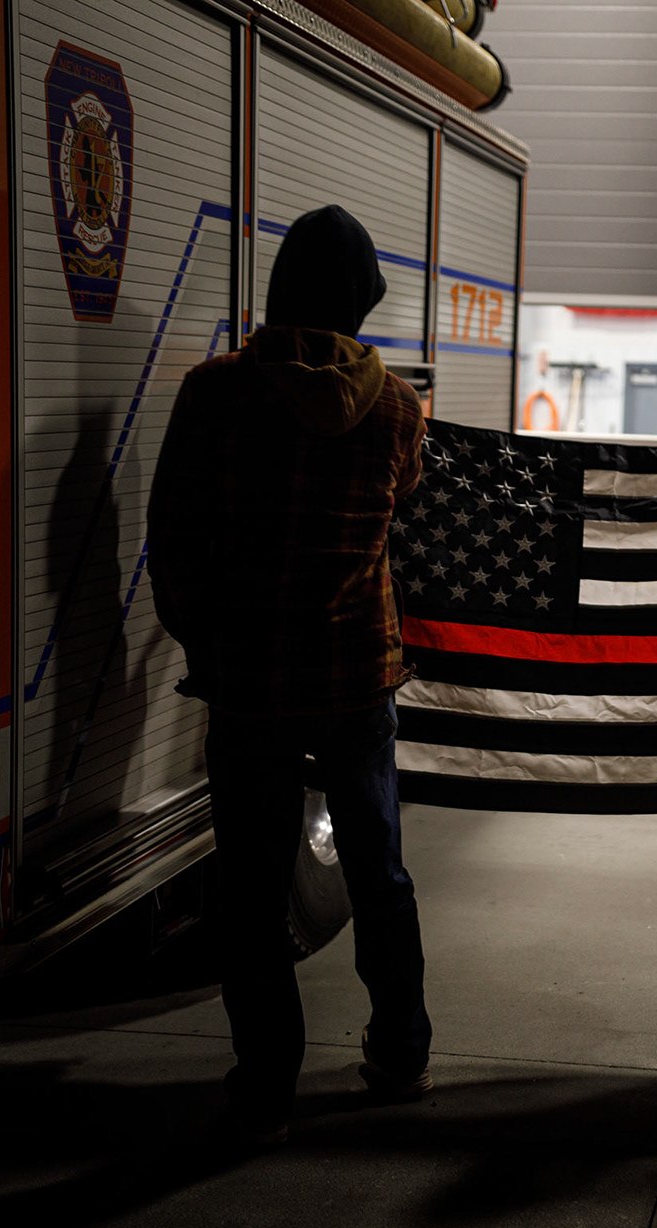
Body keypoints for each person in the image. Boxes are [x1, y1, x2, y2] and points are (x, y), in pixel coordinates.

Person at [147, 205, 433, 1146]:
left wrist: (207, 645)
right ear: (359, 299)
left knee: (255, 887)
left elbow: (175, 538)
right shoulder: (398, 406)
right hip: (358, 671)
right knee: (378, 870)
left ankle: (267, 1080)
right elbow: (399, 508)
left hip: (251, 680)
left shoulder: (214, 391)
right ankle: (400, 1053)